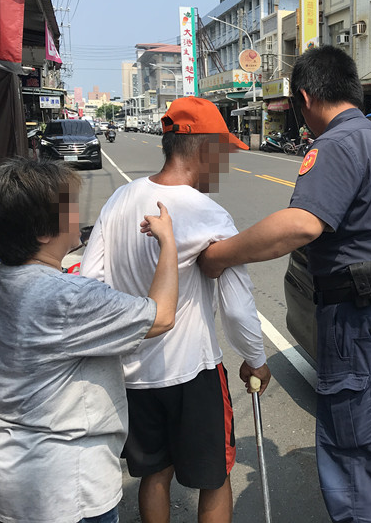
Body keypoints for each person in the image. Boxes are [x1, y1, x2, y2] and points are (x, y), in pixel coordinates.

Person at [198, 46, 371, 523]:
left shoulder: (336, 144)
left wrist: (220, 255)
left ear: (304, 98)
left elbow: (301, 225)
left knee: (355, 470)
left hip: (365, 323)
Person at [81, 96, 270, 523]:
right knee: (215, 479)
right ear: (203, 149)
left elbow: (91, 284)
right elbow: (237, 309)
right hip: (193, 372)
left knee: (154, 475)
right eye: (223, 153)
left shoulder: (119, 201)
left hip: (132, 374)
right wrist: (256, 361)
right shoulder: (208, 214)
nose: (224, 165)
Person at [0, 158, 179, 523]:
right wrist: (168, 242)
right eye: (71, 208)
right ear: (43, 232)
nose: (78, 215)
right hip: (61, 490)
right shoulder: (68, 297)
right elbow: (161, 316)